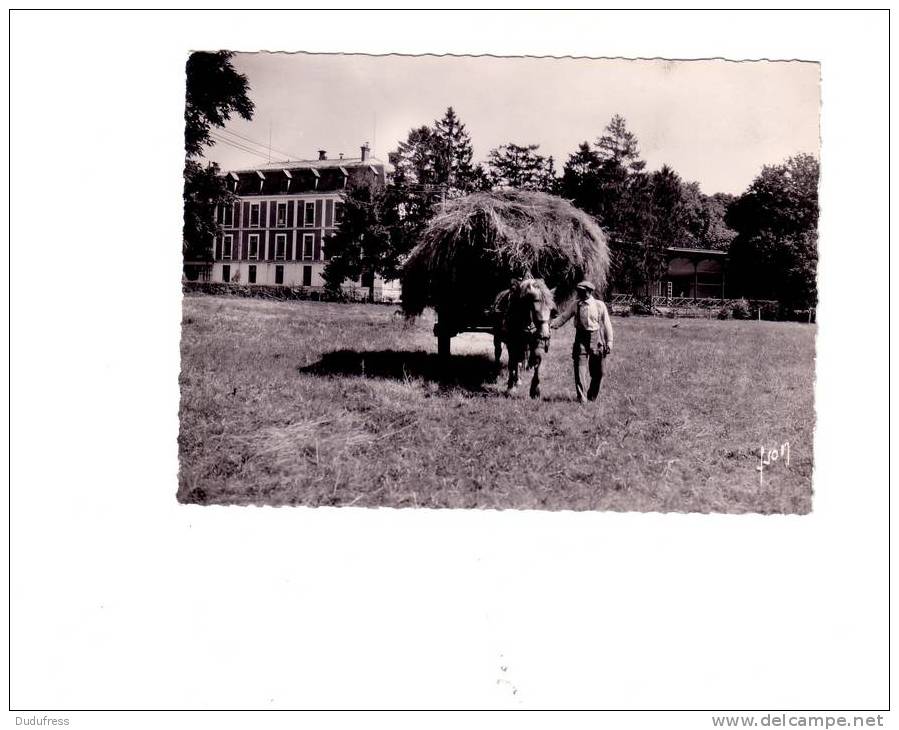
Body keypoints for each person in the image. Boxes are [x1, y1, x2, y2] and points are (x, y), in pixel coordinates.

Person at [551, 280, 614, 403]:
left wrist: (610, 341)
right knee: (580, 370)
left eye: (583, 291)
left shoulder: (599, 305)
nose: (580, 293)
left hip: (597, 339)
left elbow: (607, 324)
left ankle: (591, 396)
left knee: (599, 372)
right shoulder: (575, 304)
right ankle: (582, 399)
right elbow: (564, 316)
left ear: (590, 292)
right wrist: (552, 324)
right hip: (580, 339)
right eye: (579, 291)